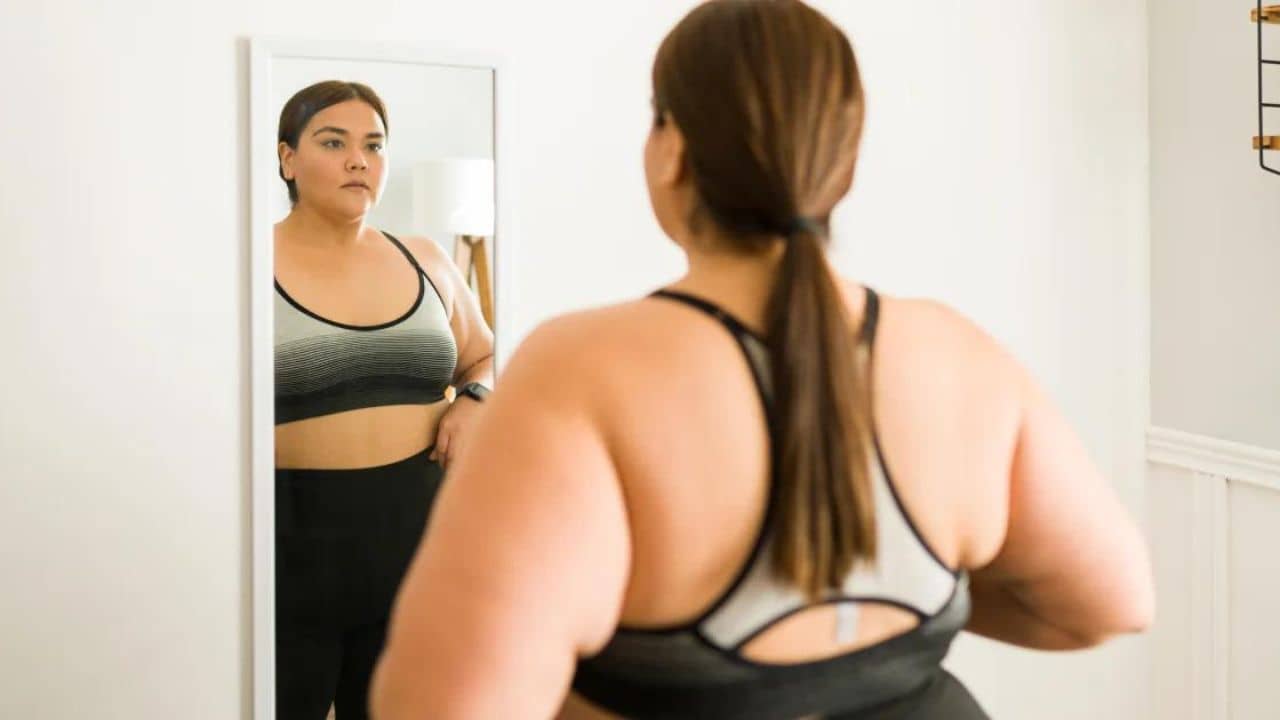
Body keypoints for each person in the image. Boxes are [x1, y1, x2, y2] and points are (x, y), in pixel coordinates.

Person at [370, 2, 1154, 718]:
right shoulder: (956, 354)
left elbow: (441, 710)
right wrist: (889, 614)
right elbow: (1110, 605)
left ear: (671, 151)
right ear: (841, 165)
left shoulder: (582, 371)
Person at [272, 80, 494, 719]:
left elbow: (485, 355)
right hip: (292, 551)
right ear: (288, 159)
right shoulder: (247, 262)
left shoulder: (426, 258)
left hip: (415, 544)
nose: (357, 160)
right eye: (332, 143)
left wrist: (475, 398)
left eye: (373, 145)